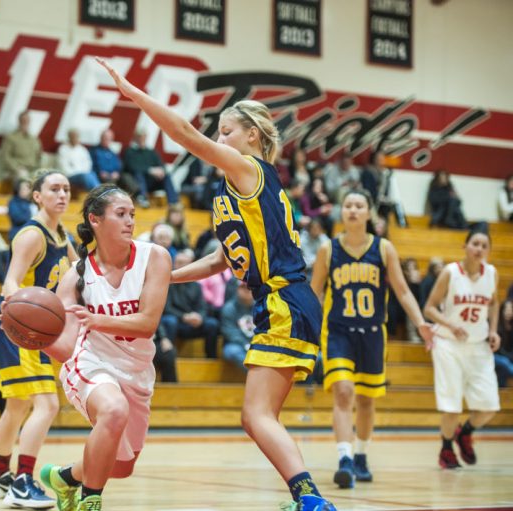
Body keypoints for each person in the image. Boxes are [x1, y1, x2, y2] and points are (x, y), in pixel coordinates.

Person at [96, 58, 336, 510]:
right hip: (282, 301)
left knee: (255, 415)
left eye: (227, 131)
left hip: (285, 298)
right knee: (266, 416)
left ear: (253, 136)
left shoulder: (250, 170)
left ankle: (312, 500)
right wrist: (161, 279)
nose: (220, 139)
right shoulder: (234, 192)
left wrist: (133, 94)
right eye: (219, 132)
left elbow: (186, 136)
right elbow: (218, 260)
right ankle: (306, 498)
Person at [38, 184, 172, 511]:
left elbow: (147, 323)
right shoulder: (75, 277)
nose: (130, 222)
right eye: (121, 214)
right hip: (90, 363)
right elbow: (67, 345)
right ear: (95, 220)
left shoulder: (155, 257)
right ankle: (90, 501)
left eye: (132, 215)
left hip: (137, 370)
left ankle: (65, 477)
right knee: (113, 410)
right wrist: (33, 338)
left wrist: (97, 320)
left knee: (121, 467)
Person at [310, 190, 433, 489]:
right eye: (348, 205)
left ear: (368, 213)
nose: (353, 209)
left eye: (359, 205)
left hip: (373, 334)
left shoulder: (384, 248)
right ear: (341, 212)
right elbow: (314, 293)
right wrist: (305, 331)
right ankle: (345, 459)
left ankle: (361, 455)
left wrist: (420, 323)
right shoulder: (328, 250)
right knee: (343, 392)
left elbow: (403, 290)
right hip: (338, 332)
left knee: (365, 400)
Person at [0, 170, 76, 508]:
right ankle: (23, 481)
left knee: (17, 405)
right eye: (54, 188)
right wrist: (17, 310)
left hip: (33, 328)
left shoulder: (62, 234)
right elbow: (10, 281)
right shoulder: (31, 234)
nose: (62, 194)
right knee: (47, 404)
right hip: (21, 328)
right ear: (37, 196)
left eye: (66, 188)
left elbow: (81, 273)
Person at [423, 229, 501, 469]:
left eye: (484, 245)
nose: (479, 249)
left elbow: (495, 301)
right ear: (465, 246)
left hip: (478, 345)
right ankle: (446, 449)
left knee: (489, 406)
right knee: (452, 408)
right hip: (448, 345)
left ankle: (464, 433)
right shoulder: (450, 272)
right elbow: (429, 308)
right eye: (475, 244)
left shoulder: (491, 273)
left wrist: (493, 331)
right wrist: (450, 324)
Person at [123, 129, 180, 207]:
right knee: (139, 174)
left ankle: (173, 203)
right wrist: (150, 170)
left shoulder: (151, 152)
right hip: (137, 182)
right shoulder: (130, 152)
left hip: (152, 181)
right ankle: (143, 199)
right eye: (139, 137)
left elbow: (161, 165)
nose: (141, 139)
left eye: (143, 137)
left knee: (166, 176)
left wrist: (161, 171)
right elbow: (132, 167)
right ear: (135, 138)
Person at [0, 110, 42, 182]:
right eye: (23, 120)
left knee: (44, 178)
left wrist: (40, 168)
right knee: (23, 176)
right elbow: (5, 156)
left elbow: (39, 156)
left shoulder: (34, 139)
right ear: (19, 121)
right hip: (15, 171)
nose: (25, 122)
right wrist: (16, 168)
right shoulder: (11, 137)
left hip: (32, 169)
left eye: (27, 120)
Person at [495, 299, 513, 387]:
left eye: (511, 309)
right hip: (495, 356)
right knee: (504, 362)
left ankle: (503, 391)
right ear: (502, 310)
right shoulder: (497, 327)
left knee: (503, 370)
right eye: (506, 309)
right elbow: (499, 350)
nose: (508, 312)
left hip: (509, 357)